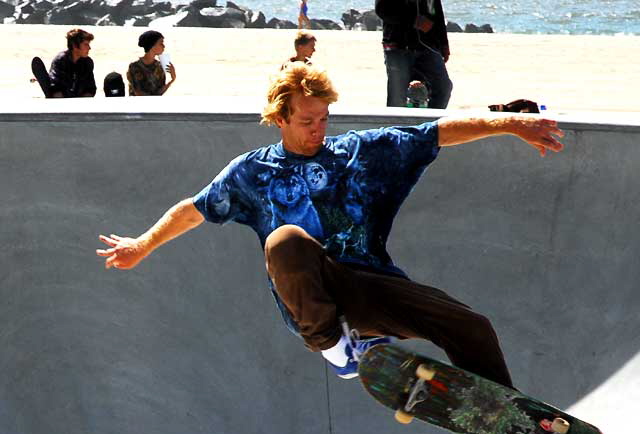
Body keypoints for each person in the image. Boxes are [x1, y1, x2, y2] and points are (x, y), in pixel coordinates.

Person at [96, 63, 563, 391]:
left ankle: (509, 420)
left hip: (370, 286)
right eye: (305, 121)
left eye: (323, 119)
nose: (317, 129)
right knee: (285, 241)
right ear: (279, 118)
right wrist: (143, 244)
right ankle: (337, 348)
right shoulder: (252, 172)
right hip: (315, 297)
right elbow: (194, 209)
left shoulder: (358, 151)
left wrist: (513, 123)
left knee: (471, 327)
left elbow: (436, 132)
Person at [375, 0, 452, 109]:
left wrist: (444, 42)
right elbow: (382, 10)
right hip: (398, 46)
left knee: (443, 87)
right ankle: (396, 124)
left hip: (427, 45)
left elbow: (437, 11)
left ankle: (429, 122)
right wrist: (414, 20)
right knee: (397, 97)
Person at [48, 29, 96, 98]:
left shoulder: (87, 62)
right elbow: (55, 87)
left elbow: (90, 88)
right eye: (86, 44)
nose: (89, 48)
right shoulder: (61, 60)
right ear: (75, 46)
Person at [127, 30, 177, 96]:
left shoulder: (159, 66)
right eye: (161, 43)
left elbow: (159, 92)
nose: (163, 46)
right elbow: (138, 93)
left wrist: (172, 79)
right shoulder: (134, 67)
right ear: (152, 46)